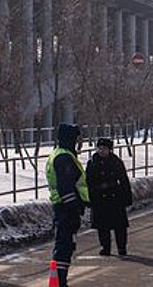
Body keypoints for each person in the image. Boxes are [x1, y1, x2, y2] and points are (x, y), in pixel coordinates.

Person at [46, 123, 89, 287]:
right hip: (66, 208)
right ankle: (59, 282)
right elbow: (66, 186)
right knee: (64, 245)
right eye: (78, 138)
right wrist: (75, 206)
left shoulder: (63, 154)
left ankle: (60, 281)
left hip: (64, 207)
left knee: (66, 244)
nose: (80, 141)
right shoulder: (64, 157)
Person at [86, 138, 133, 256]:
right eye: (100, 148)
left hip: (115, 197)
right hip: (99, 197)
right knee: (102, 226)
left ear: (109, 149)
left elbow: (123, 180)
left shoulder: (116, 161)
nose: (102, 151)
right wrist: (89, 197)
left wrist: (127, 197)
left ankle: (121, 247)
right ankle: (105, 246)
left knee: (119, 226)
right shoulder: (93, 162)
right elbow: (88, 181)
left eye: (104, 148)